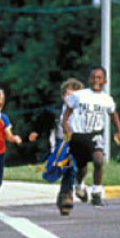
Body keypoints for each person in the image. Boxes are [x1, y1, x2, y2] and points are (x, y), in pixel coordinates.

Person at [62, 67, 120, 207]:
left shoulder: (106, 99)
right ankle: (79, 184)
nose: (96, 80)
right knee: (82, 167)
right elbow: (68, 110)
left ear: (105, 81)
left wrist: (119, 131)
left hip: (95, 134)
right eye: (93, 77)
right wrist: (65, 125)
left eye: (99, 78)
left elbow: (113, 114)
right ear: (89, 79)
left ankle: (96, 193)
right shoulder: (79, 95)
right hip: (78, 135)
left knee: (98, 160)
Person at [29, 78, 84, 215]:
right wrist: (36, 132)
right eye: (68, 95)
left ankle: (66, 195)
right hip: (59, 144)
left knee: (71, 166)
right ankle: (66, 190)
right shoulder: (55, 112)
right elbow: (43, 120)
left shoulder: (83, 112)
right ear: (62, 96)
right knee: (56, 171)